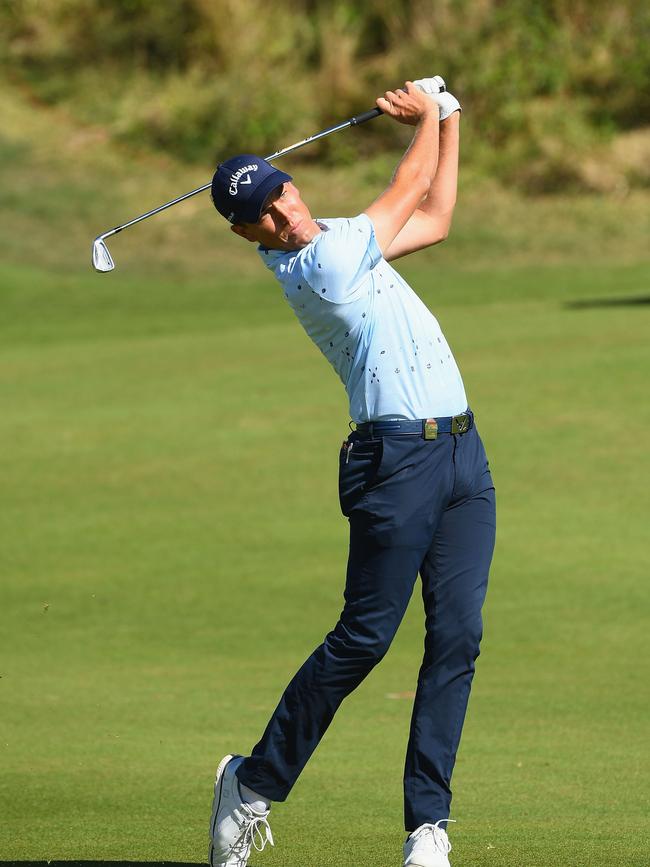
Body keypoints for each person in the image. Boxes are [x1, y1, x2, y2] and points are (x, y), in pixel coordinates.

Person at [207, 78, 496, 867]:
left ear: (292, 183)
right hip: (395, 460)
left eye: (282, 192)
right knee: (365, 636)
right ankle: (252, 780)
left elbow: (432, 219)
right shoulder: (324, 264)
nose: (283, 212)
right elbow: (410, 184)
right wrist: (431, 113)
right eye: (263, 213)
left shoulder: (337, 233)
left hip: (463, 454)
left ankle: (427, 826)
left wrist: (453, 120)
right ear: (245, 233)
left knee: (457, 635)